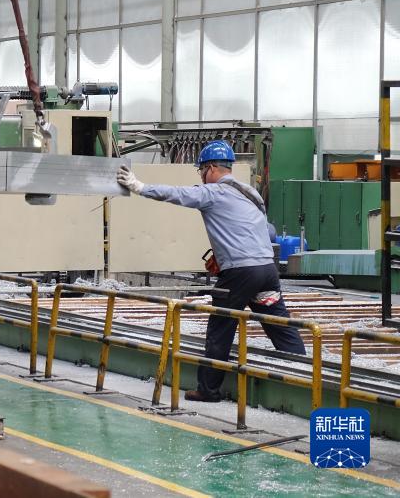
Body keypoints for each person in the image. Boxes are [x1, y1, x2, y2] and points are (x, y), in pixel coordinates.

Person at [116, 140, 306, 402]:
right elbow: (266, 231)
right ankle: (307, 377)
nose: (201, 177)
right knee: (279, 324)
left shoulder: (214, 193)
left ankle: (208, 390)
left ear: (212, 168)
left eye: (201, 171)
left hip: (240, 274)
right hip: (267, 270)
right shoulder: (251, 193)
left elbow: (177, 194)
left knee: (220, 328)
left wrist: (139, 187)